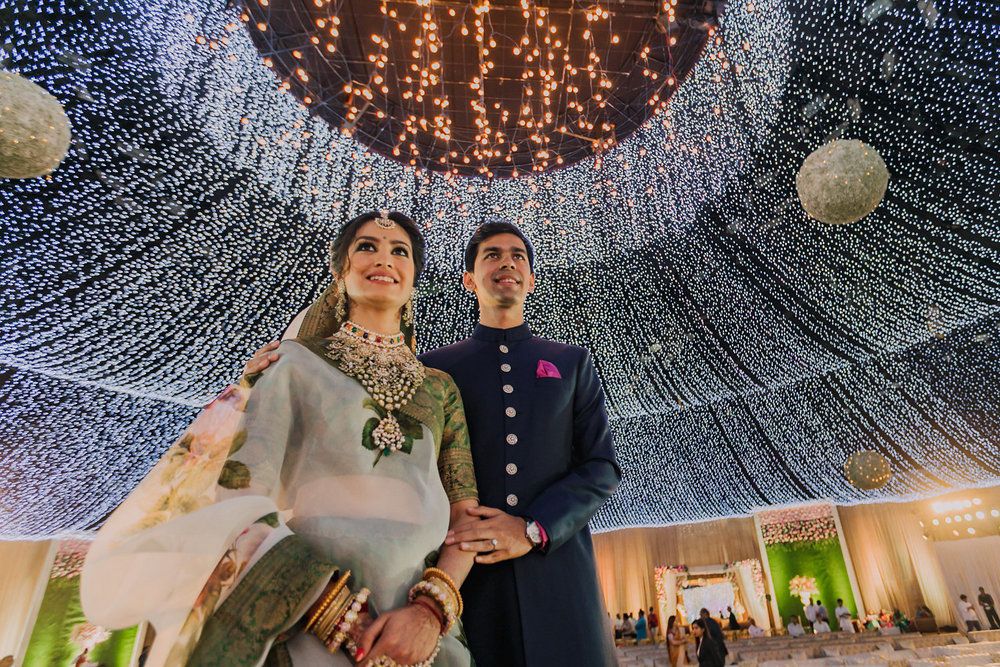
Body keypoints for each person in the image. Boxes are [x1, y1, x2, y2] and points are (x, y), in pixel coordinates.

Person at [82, 211, 481, 666]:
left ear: (413, 279)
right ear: (341, 272)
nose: (383, 258)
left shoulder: (440, 389)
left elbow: (464, 519)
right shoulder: (291, 363)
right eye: (366, 246)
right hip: (301, 621)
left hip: (420, 632)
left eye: (400, 251)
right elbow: (239, 494)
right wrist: (324, 604)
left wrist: (430, 610)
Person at [244, 220, 622, 665]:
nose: (508, 263)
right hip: (468, 585)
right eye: (492, 255)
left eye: (518, 255)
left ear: (532, 279)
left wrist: (531, 528)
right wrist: (251, 389)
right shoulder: (434, 369)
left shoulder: (569, 361)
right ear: (468, 279)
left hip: (555, 568)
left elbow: (601, 466)